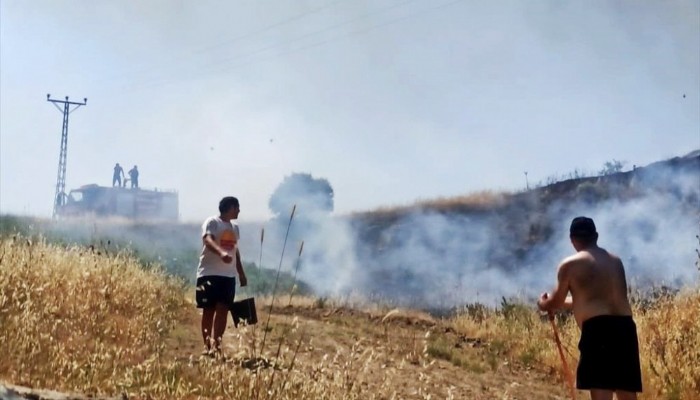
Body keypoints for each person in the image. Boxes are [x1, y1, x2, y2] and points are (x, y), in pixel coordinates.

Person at [537, 217, 642, 400]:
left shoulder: (570, 265)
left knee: (601, 390)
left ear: (572, 239)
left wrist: (543, 304)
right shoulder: (615, 261)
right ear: (596, 236)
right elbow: (593, 299)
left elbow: (555, 301)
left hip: (598, 330)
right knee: (626, 391)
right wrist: (560, 303)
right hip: (625, 328)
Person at [195, 196, 248, 357]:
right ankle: (207, 346)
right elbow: (207, 240)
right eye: (237, 207)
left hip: (228, 276)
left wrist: (241, 272)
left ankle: (217, 346)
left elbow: (235, 251)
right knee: (209, 310)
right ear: (230, 207)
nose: (239, 210)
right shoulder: (212, 222)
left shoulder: (235, 228)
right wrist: (221, 253)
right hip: (209, 273)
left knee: (223, 310)